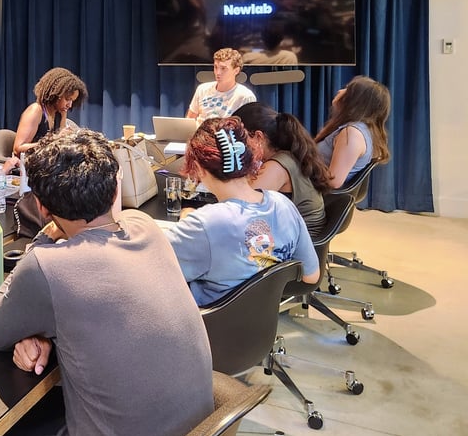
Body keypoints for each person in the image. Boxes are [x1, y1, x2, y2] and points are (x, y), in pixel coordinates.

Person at [0, 129, 213, 436]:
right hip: (204, 429)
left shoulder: (47, 266)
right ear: (115, 191)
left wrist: (41, 242)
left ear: (41, 207)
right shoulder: (146, 227)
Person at [165, 117, 320, 306]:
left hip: (206, 326)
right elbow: (311, 276)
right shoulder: (284, 206)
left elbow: (153, 271)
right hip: (260, 322)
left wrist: (186, 223)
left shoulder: (204, 225)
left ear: (198, 168)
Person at [234, 102, 332, 238]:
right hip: (296, 235)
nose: (236, 146)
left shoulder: (278, 166)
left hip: (297, 244)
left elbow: (240, 208)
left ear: (258, 137)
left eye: (238, 139)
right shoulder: (289, 155)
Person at [315, 76, 391, 188]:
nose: (340, 91)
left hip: (313, 192)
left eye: (347, 90)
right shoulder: (357, 129)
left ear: (355, 101)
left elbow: (333, 181)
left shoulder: (352, 134)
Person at [12, 67, 87, 155]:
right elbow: (18, 149)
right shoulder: (36, 111)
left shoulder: (61, 112)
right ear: (56, 93)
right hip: (29, 164)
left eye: (72, 101)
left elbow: (59, 145)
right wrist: (54, 140)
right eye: (67, 99)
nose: (69, 105)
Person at [186, 48, 257, 122]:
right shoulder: (202, 89)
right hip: (200, 132)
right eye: (216, 67)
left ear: (236, 70)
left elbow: (248, 129)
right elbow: (189, 120)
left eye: (223, 68)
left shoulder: (246, 97)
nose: (218, 72)